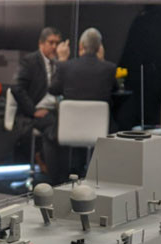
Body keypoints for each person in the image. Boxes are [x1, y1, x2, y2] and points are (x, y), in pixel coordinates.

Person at [49, 28, 116, 177]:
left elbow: (52, 89)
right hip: (100, 131)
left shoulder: (65, 67)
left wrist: (61, 60)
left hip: (69, 130)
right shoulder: (109, 69)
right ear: (99, 47)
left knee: (49, 128)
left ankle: (60, 176)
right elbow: (116, 90)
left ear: (80, 46)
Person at [12, 27, 70, 184]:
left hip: (57, 110)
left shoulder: (60, 62)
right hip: (34, 112)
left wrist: (63, 63)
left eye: (57, 43)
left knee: (68, 124)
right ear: (41, 44)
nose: (54, 47)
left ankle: (66, 174)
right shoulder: (30, 61)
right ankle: (55, 178)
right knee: (53, 127)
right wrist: (33, 110)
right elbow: (16, 88)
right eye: (51, 43)